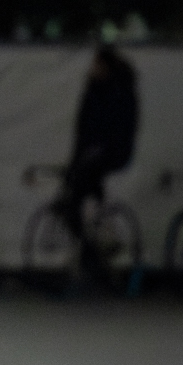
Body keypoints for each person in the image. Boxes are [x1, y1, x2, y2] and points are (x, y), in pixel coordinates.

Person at [58, 44, 139, 247]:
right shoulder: (97, 88)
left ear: (105, 66)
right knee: (81, 181)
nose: (93, 68)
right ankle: (95, 233)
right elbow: (84, 127)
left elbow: (115, 126)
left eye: (97, 65)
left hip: (112, 150)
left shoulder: (117, 89)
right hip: (97, 150)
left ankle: (88, 238)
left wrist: (95, 148)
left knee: (81, 184)